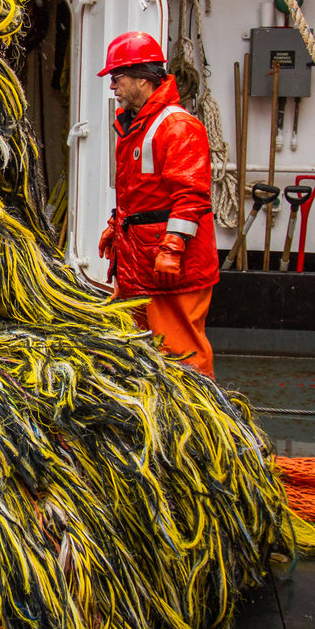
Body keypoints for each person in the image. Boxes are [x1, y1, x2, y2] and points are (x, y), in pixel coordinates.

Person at [97, 31, 218, 377]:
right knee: (142, 353)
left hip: (171, 270)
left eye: (117, 77)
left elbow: (191, 195)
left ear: (142, 78)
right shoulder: (135, 127)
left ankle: (200, 420)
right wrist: (115, 228)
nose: (113, 86)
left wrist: (173, 249)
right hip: (142, 262)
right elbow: (139, 192)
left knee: (182, 356)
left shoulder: (177, 126)